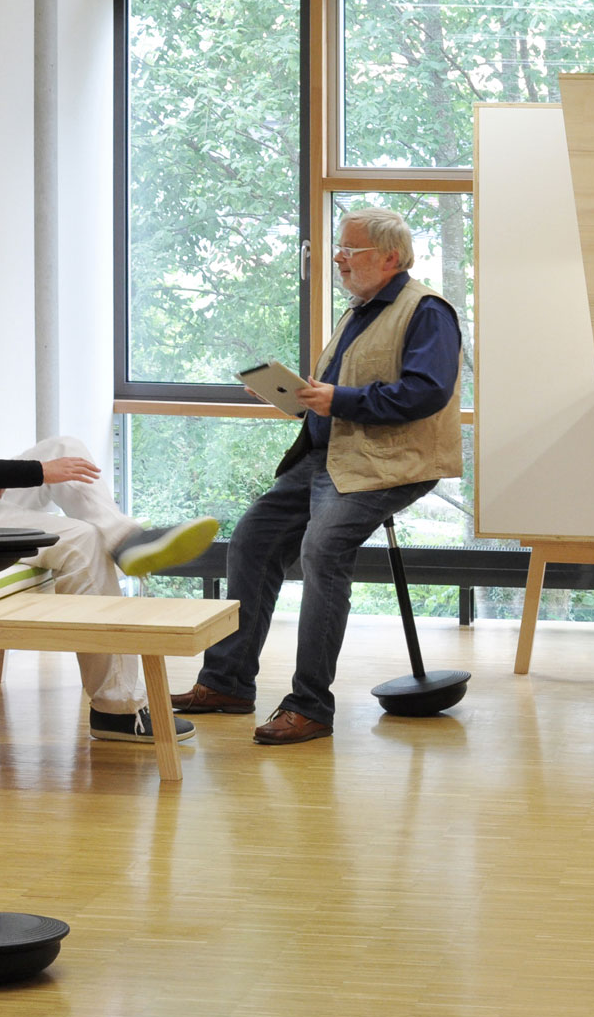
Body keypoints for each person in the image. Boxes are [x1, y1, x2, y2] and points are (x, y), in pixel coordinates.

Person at [0, 244, 218, 744]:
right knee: (80, 540)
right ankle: (116, 709)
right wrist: (33, 472)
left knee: (64, 447)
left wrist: (3, 475)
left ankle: (125, 537)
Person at [170, 207, 463, 745]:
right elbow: (341, 391)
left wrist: (338, 399)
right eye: (340, 248)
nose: (338, 259)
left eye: (350, 250)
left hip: (386, 464)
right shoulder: (359, 311)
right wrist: (297, 395)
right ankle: (227, 683)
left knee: (323, 550)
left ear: (390, 258)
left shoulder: (427, 312)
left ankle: (310, 706)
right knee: (252, 539)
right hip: (328, 456)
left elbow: (427, 392)